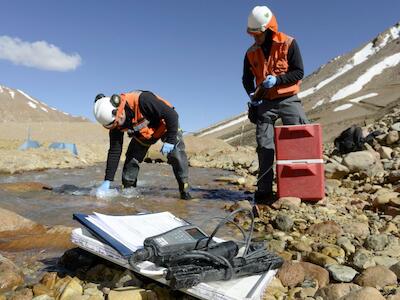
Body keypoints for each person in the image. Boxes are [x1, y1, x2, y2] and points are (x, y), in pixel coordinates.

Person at [242, 6, 309, 204]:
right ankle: (264, 190)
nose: (255, 38)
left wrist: (278, 81)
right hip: (265, 102)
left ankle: (301, 188)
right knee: (264, 145)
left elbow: (298, 72)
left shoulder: (289, 43)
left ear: (268, 29)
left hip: (289, 99)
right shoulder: (250, 53)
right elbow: (246, 79)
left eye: (257, 33)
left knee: (298, 140)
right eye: (252, 34)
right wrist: (253, 94)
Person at [93, 90, 192, 200]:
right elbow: (114, 151)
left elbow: (172, 115)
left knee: (176, 154)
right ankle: (128, 194)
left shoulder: (143, 100)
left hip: (167, 126)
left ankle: (185, 191)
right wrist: (108, 180)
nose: (117, 126)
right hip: (145, 134)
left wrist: (170, 141)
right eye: (113, 126)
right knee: (131, 161)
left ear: (119, 111)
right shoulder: (115, 125)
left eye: (117, 122)